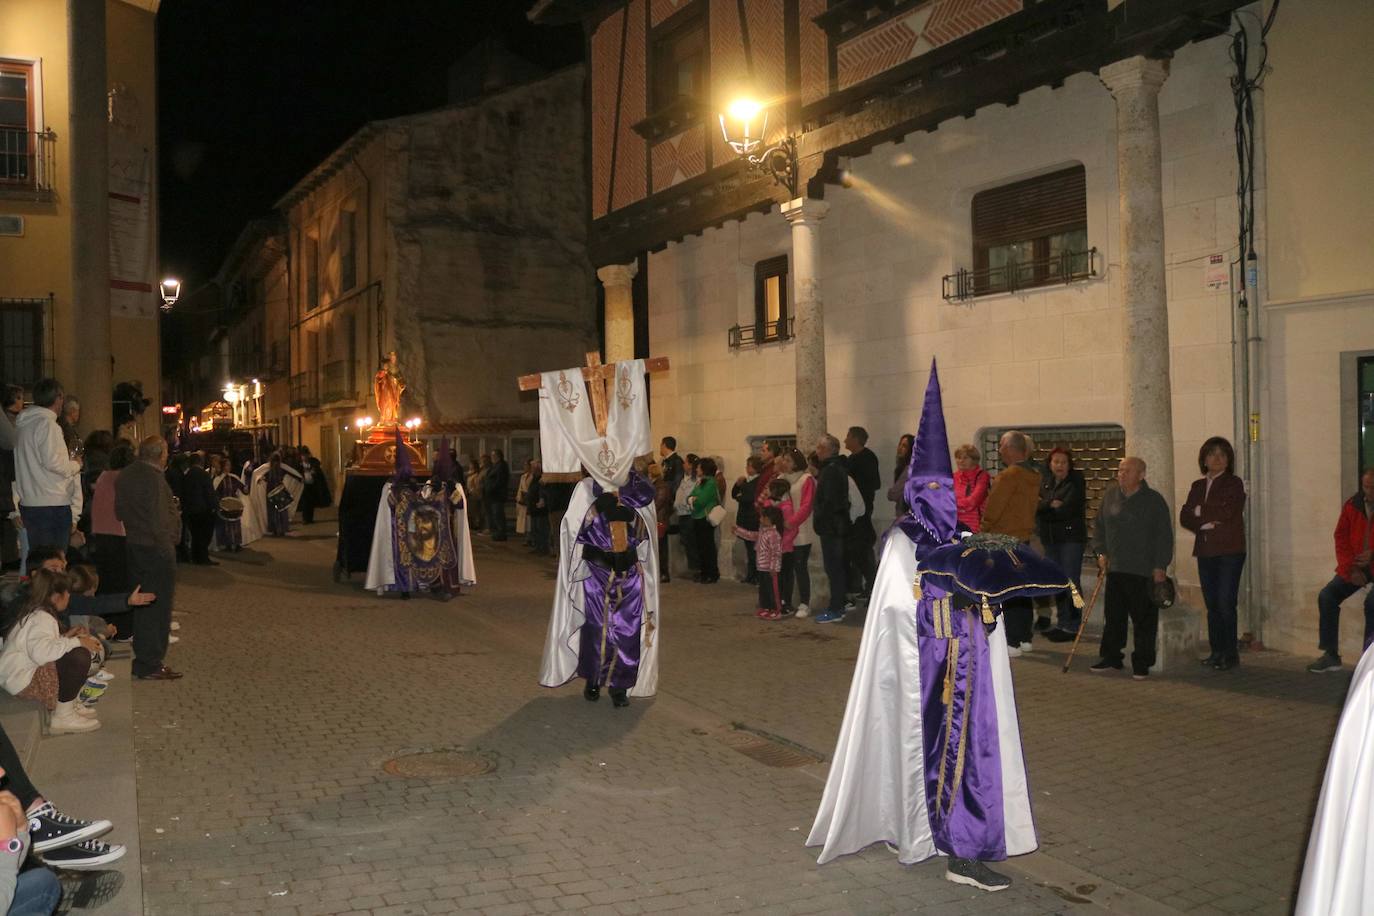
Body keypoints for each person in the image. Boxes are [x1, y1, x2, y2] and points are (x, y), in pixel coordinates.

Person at [808, 362, 1041, 892]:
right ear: (916, 489)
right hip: (923, 679)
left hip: (969, 674)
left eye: (945, 486)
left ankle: (962, 846)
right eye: (928, 485)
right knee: (920, 759)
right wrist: (945, 605)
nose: (938, 495)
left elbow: (985, 597)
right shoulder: (901, 544)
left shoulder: (962, 535)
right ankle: (925, 834)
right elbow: (892, 613)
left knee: (974, 760)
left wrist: (985, 603)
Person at [1089, 456, 1174, 679]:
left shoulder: (1154, 501)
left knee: (1144, 619)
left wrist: (1160, 566)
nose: (1121, 474)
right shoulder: (1110, 496)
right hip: (1115, 567)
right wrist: (1100, 552)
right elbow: (1099, 528)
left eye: (1127, 471)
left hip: (1143, 570)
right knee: (1114, 617)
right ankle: (1111, 657)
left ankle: (1142, 661)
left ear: (1141, 475)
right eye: (1120, 470)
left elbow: (1164, 536)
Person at [0, 569, 103, 734]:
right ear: (57, 597)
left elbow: (40, 646)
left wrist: (67, 637)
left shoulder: (37, 613)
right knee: (79, 656)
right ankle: (64, 715)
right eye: (68, 594)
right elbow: (42, 654)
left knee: (75, 649)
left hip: (19, 678)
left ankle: (69, 703)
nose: (69, 598)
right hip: (23, 682)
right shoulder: (42, 618)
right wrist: (77, 641)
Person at [114, 437, 182, 681]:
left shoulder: (126, 475)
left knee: (142, 603)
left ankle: (144, 658)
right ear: (161, 454)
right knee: (158, 606)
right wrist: (168, 546)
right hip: (155, 549)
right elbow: (159, 520)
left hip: (134, 544)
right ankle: (150, 662)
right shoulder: (154, 479)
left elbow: (119, 511)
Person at [1180, 437, 1248, 671]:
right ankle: (1216, 651)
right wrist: (1206, 520)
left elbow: (1229, 511)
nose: (1217, 459)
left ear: (1228, 460)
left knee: (1225, 603)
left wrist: (1200, 511)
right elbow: (1185, 516)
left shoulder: (1234, 483)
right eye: (1212, 454)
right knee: (1212, 605)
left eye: (1222, 454)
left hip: (1229, 551)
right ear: (1204, 459)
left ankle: (1230, 654)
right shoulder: (1197, 486)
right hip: (1206, 550)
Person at [1307, 467, 1374, 674]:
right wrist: (1351, 569)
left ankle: (1367, 661)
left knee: (1372, 604)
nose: (1370, 492)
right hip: (1356, 567)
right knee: (1327, 596)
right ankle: (1331, 654)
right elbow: (1341, 538)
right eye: (1366, 487)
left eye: (1373, 488)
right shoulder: (1353, 506)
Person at [980, 432, 1041, 654]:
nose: (999, 450)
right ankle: (1025, 638)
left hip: (1003, 539)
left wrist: (983, 530)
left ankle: (1012, 641)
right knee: (1022, 589)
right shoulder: (1033, 475)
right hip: (1023, 538)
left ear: (1012, 449)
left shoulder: (1009, 476)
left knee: (1007, 590)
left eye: (1002, 446)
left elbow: (994, 509)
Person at [13, 379, 82, 551]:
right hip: (52, 504)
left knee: (39, 561)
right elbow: (55, 463)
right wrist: (76, 464)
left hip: (30, 503)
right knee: (55, 562)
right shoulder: (48, 425)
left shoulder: (23, 425)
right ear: (58, 398)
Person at [1036, 447, 1088, 643]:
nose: (1059, 465)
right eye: (1056, 461)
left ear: (1070, 464)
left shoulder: (1075, 481)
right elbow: (1036, 506)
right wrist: (1050, 504)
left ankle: (1073, 626)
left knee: (1071, 582)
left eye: (1063, 462)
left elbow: (1068, 509)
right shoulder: (1046, 482)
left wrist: (1045, 506)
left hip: (1070, 539)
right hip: (1051, 539)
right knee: (1057, 581)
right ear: (1050, 463)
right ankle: (1062, 623)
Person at [812, 435, 850, 624]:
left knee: (834, 568)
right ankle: (838, 605)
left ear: (828, 450)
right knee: (835, 567)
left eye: (819, 447)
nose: (817, 451)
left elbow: (830, 501)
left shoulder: (831, 471)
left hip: (832, 526)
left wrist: (819, 516)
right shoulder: (832, 468)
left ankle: (836, 608)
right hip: (834, 525)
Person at [88, 442, 133, 593]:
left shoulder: (103, 477)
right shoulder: (125, 478)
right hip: (119, 531)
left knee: (105, 573)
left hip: (100, 530)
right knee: (120, 576)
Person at [843, 427, 880, 602]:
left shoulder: (867, 458)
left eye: (848, 437)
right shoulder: (851, 459)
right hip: (853, 511)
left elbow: (873, 484)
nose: (845, 440)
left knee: (862, 548)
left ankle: (872, 585)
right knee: (854, 550)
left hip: (861, 510)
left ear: (856, 439)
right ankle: (857, 585)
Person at [180, 452, 217, 566]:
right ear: (200, 461)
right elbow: (208, 492)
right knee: (204, 534)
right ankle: (203, 557)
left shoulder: (187, 475)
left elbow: (184, 492)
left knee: (195, 534)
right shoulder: (203, 474)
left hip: (191, 509)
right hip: (203, 509)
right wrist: (213, 506)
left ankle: (196, 556)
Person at [689, 457, 721, 584]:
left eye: (698, 467)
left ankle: (711, 573)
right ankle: (704, 572)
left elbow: (701, 500)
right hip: (697, 516)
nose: (696, 469)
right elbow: (690, 496)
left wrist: (693, 500)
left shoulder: (711, 483)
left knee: (708, 547)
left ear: (704, 469)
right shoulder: (700, 482)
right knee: (700, 547)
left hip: (705, 517)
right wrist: (692, 499)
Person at [732, 456, 763, 585]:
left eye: (749, 466)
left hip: (752, 519)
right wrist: (737, 485)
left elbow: (748, 498)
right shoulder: (746, 481)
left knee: (753, 551)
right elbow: (735, 495)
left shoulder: (758, 481)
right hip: (744, 518)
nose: (747, 468)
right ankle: (750, 575)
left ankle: (754, 575)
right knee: (749, 549)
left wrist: (741, 495)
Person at [209, 453, 249, 552]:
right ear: (223, 467)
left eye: (230, 465)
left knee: (235, 524)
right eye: (227, 465)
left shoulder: (233, 477)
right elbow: (214, 492)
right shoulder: (218, 479)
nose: (229, 467)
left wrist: (246, 488)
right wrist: (220, 503)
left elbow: (243, 488)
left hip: (234, 505)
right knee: (225, 524)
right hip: (223, 506)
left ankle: (237, 543)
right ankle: (227, 544)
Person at [754, 506, 786, 620]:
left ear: (770, 519)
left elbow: (776, 552)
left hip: (771, 569)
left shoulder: (774, 534)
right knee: (764, 589)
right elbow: (752, 536)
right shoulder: (763, 531)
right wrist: (738, 530)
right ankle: (766, 607)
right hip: (762, 567)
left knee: (773, 590)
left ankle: (777, 610)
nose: (760, 519)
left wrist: (774, 568)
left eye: (763, 517)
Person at [953, 444, 990, 533]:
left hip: (974, 527)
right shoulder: (953, 477)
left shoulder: (982, 476)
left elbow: (972, 502)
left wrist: (952, 504)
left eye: (965, 458)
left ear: (974, 460)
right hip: (955, 525)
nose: (961, 461)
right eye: (958, 458)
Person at [674, 454, 701, 575]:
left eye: (685, 462)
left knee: (693, 543)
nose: (683, 464)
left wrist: (685, 504)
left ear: (690, 465)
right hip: (681, 514)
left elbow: (692, 496)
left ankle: (697, 569)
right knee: (686, 542)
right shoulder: (683, 478)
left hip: (690, 514)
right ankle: (693, 568)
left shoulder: (696, 480)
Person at [297, 446, 330, 525]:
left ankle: (310, 518)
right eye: (303, 456)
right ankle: (305, 518)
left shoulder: (313, 463)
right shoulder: (299, 465)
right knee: (305, 503)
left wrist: (314, 472)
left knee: (311, 503)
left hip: (312, 485)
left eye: (305, 455)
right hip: (304, 485)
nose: (304, 457)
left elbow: (318, 472)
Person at [484, 449, 510, 541]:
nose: (492, 458)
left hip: (497, 495)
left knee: (498, 514)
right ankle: (496, 532)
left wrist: (491, 488)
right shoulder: (494, 466)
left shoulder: (502, 466)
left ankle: (501, 532)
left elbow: (500, 481)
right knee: (494, 514)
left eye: (493, 456)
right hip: (492, 495)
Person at [886, 433, 914, 515]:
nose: (900, 448)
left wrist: (890, 491)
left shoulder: (909, 470)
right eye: (900, 444)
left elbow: (892, 495)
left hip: (906, 514)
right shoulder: (907, 468)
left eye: (904, 446)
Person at [526, 460, 551, 556]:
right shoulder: (534, 478)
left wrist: (541, 499)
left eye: (533, 468)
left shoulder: (541, 479)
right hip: (533, 508)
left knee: (542, 529)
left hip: (540, 509)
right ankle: (537, 546)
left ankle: (543, 548)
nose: (532, 470)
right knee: (535, 529)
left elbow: (542, 491)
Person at [515, 458, 533, 545]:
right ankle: (527, 537)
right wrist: (518, 498)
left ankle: (531, 538)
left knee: (529, 520)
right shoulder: (523, 477)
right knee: (524, 520)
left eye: (526, 465)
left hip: (529, 499)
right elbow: (520, 488)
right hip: (522, 499)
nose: (524, 467)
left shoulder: (533, 476)